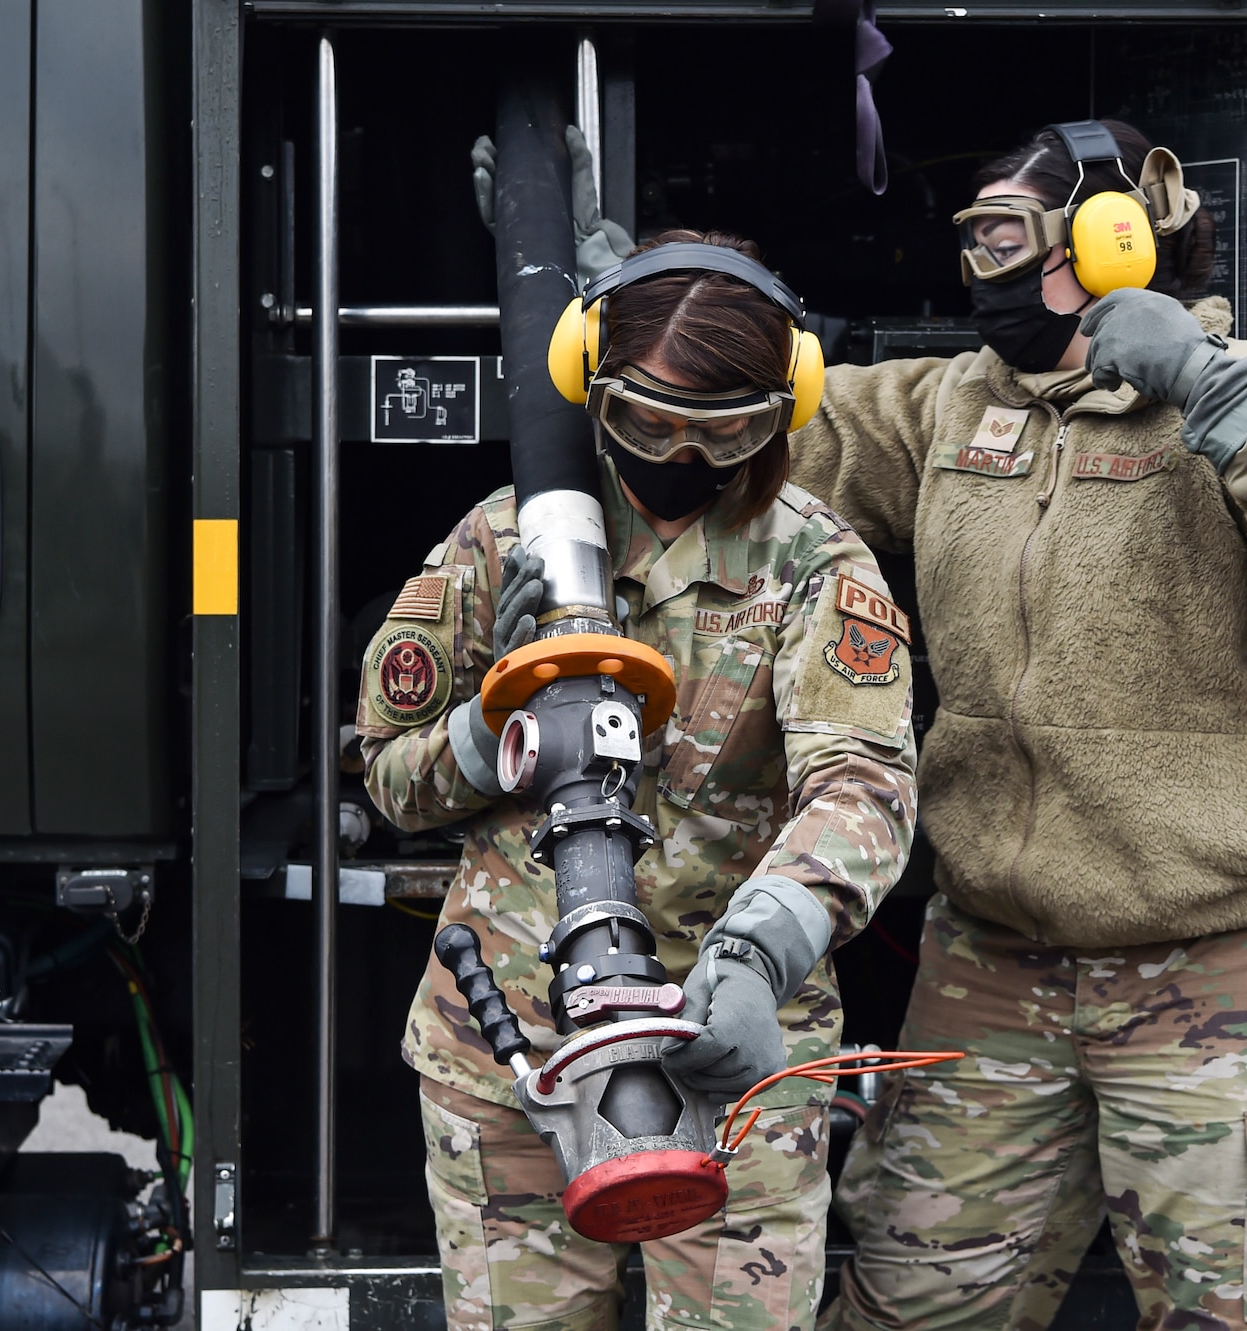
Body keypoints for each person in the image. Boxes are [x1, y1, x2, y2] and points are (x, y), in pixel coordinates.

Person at [790, 119, 1247, 1331]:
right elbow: (771, 430)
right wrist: (649, 304)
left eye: (1002, 232)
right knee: (909, 1306)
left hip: (1239, 961)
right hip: (998, 957)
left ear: (1110, 247)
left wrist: (1216, 398)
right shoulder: (956, 407)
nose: (978, 263)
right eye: (974, 236)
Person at [356, 229, 920, 1330]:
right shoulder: (501, 544)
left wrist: (760, 952)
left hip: (729, 1055)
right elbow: (387, 775)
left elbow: (862, 787)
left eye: (720, 430)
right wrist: (487, 729)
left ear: (781, 410)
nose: (677, 453)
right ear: (588, 391)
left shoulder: (813, 565)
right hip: (513, 1049)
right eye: (643, 420)